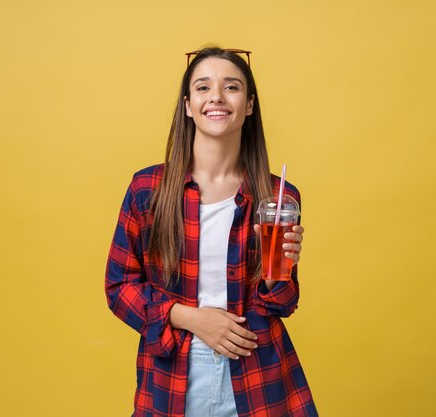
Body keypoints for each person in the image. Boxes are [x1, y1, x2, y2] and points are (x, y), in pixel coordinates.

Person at [105, 47, 318, 417]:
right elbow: (118, 287)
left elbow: (282, 302)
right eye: (203, 88)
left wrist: (278, 270)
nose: (216, 96)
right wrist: (190, 317)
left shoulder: (277, 197)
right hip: (173, 373)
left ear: (249, 105)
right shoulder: (148, 189)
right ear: (188, 105)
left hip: (258, 372)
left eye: (231, 87)